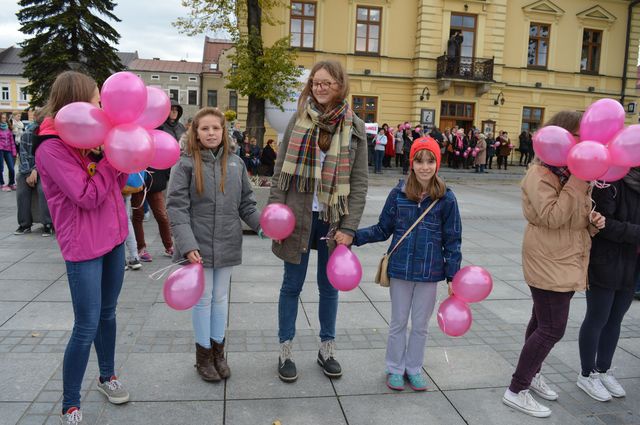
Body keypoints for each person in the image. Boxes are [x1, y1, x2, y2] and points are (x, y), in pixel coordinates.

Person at [33, 71, 130, 425]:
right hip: (83, 247)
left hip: (114, 238)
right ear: (76, 103)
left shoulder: (94, 138)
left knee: (109, 314)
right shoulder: (52, 148)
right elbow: (87, 197)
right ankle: (70, 403)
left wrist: (120, 155)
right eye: (95, 99)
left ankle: (107, 376)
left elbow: (116, 183)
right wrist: (109, 160)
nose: (101, 106)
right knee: (86, 325)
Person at [268, 60, 368, 383]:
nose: (319, 88)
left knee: (329, 288)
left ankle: (327, 348)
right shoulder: (299, 121)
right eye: (315, 82)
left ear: (340, 85)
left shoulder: (354, 127)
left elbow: (360, 181)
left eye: (326, 83)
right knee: (291, 286)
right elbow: (280, 170)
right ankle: (285, 349)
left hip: (332, 221)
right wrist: (274, 213)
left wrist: (349, 228)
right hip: (297, 217)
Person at [502, 111, 606, 418]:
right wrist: (578, 179)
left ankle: (531, 374)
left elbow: (573, 217)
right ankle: (516, 389)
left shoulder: (567, 172)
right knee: (551, 328)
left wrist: (593, 222)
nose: (584, 142)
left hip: (567, 258)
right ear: (562, 136)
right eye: (579, 135)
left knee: (539, 322)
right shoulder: (542, 174)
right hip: (548, 259)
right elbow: (551, 217)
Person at [354, 137, 461, 391]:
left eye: (430, 160)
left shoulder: (446, 198)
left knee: (421, 325)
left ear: (438, 163)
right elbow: (383, 228)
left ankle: (414, 368)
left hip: (429, 271)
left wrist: (452, 276)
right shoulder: (398, 193)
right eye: (419, 160)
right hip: (401, 269)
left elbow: (453, 239)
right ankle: (394, 368)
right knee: (399, 322)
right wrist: (353, 236)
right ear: (411, 162)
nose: (425, 166)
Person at [167, 107, 261, 382]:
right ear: (195, 132)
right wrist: (186, 244)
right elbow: (177, 207)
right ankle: (204, 356)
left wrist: (262, 225)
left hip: (228, 242)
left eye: (216, 128)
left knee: (220, 299)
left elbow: (246, 203)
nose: (211, 133)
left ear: (224, 132)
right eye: (205, 128)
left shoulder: (235, 164)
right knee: (203, 299)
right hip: (197, 245)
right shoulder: (185, 163)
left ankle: (219, 353)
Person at [576, 168, 640, 401]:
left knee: (616, 319)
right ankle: (586, 374)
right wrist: (636, 233)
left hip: (632, 264)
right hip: (605, 261)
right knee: (597, 318)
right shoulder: (610, 180)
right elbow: (600, 224)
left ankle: (604, 370)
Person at [131, 102, 183, 261]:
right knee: (138, 215)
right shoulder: (135, 131)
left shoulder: (162, 131)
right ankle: (141, 248)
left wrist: (167, 175)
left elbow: (167, 153)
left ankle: (169, 246)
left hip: (156, 181)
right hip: (138, 180)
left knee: (162, 215)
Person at [15, 112, 53, 236]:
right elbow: (23, 155)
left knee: (43, 190)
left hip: (44, 170)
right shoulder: (26, 134)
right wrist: (27, 174)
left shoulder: (47, 136)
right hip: (27, 170)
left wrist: (36, 170)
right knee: (21, 189)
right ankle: (24, 224)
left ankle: (48, 223)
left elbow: (45, 157)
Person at [0, 113, 17, 191]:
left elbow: (12, 141)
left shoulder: (8, 129)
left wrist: (14, 152)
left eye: (5, 118)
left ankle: (11, 183)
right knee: (1, 168)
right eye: (2, 118)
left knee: (11, 168)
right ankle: (2, 184)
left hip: (8, 150)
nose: (4, 119)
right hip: (0, 149)